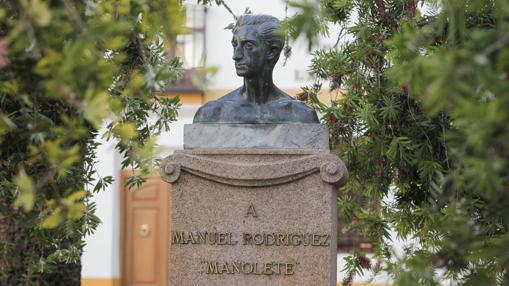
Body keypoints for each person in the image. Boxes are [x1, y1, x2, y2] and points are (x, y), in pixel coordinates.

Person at [193, 14, 319, 124]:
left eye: (248, 46)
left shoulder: (301, 116)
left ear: (272, 51)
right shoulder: (212, 114)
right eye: (235, 45)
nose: (236, 56)